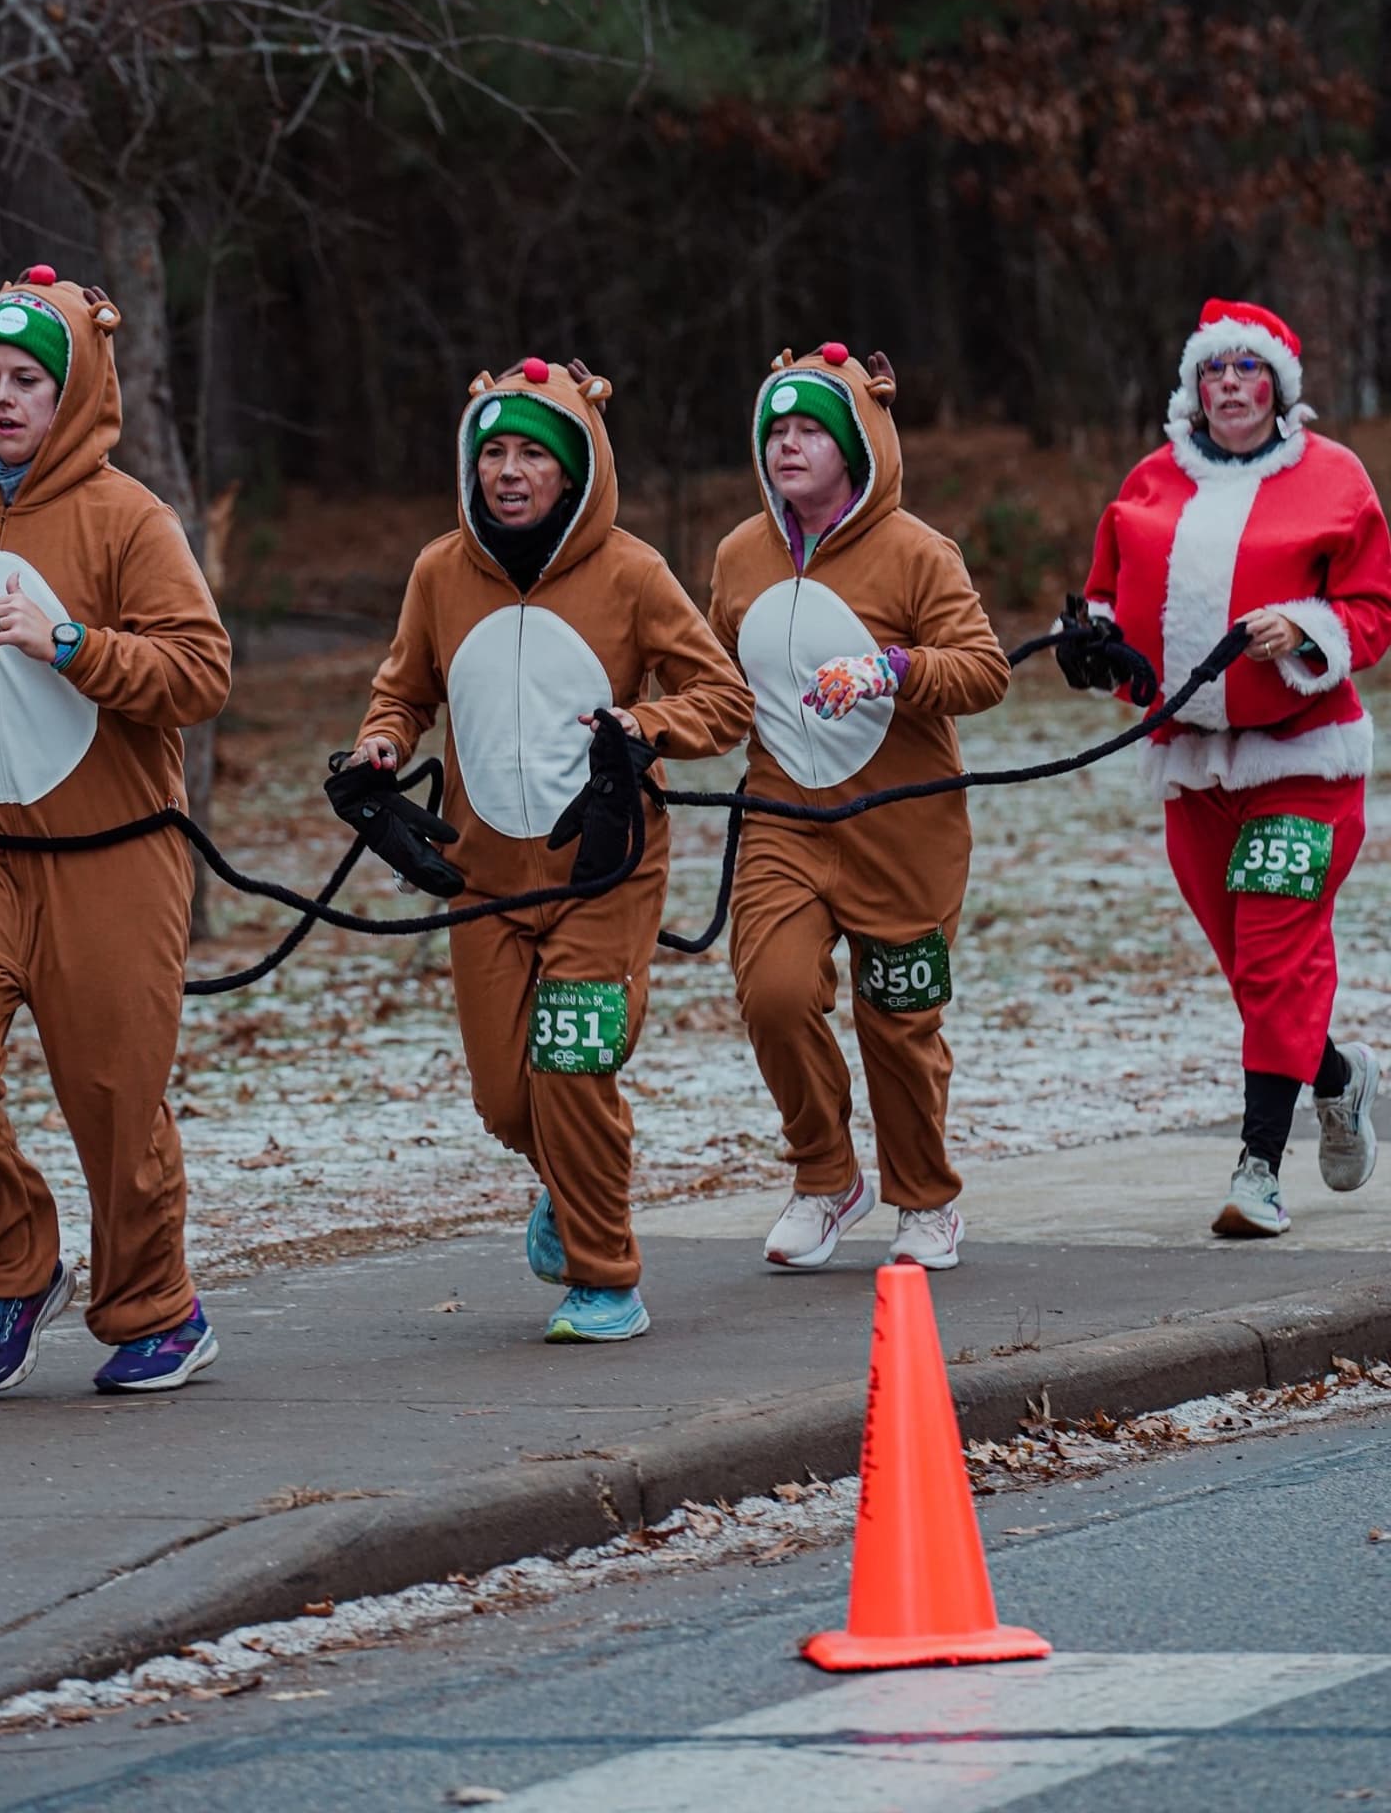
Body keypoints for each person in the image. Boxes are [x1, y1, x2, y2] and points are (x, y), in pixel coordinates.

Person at [0, 266, 232, 1393]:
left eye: (29, 378)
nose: (6, 399)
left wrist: (74, 645)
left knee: (115, 1102)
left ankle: (157, 1312)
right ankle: (17, 1266)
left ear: (74, 391)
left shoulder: (132, 518)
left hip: (116, 853)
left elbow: (201, 672)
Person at [344, 356, 752, 1342]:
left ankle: (605, 1278)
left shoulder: (631, 573)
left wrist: (644, 725)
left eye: (532, 454)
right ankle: (574, 1183)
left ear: (573, 473)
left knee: (571, 1066)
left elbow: (723, 701)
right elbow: (405, 688)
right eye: (493, 452)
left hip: (602, 866)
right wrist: (382, 741)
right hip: (480, 873)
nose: (509, 471)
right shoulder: (440, 572)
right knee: (504, 1093)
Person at [1062, 297, 1391, 1238]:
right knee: (1252, 971)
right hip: (1192, 765)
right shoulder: (1151, 480)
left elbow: (1372, 608)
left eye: (1250, 370)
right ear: (1194, 386)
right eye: (1217, 371)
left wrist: (1308, 628)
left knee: (1276, 954)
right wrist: (1094, 645)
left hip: (1304, 760)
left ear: (1280, 387)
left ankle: (1258, 1169)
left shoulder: (1334, 478)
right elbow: (1106, 598)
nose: (1232, 386)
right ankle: (1338, 1076)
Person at [708, 343, 1009, 1273]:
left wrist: (894, 667)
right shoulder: (738, 556)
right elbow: (715, 682)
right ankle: (828, 1177)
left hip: (903, 828)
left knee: (898, 1022)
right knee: (775, 992)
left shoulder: (919, 552)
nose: (788, 447)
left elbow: (986, 672)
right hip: (783, 819)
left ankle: (926, 1200)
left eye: (810, 432)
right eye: (776, 432)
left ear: (856, 446)